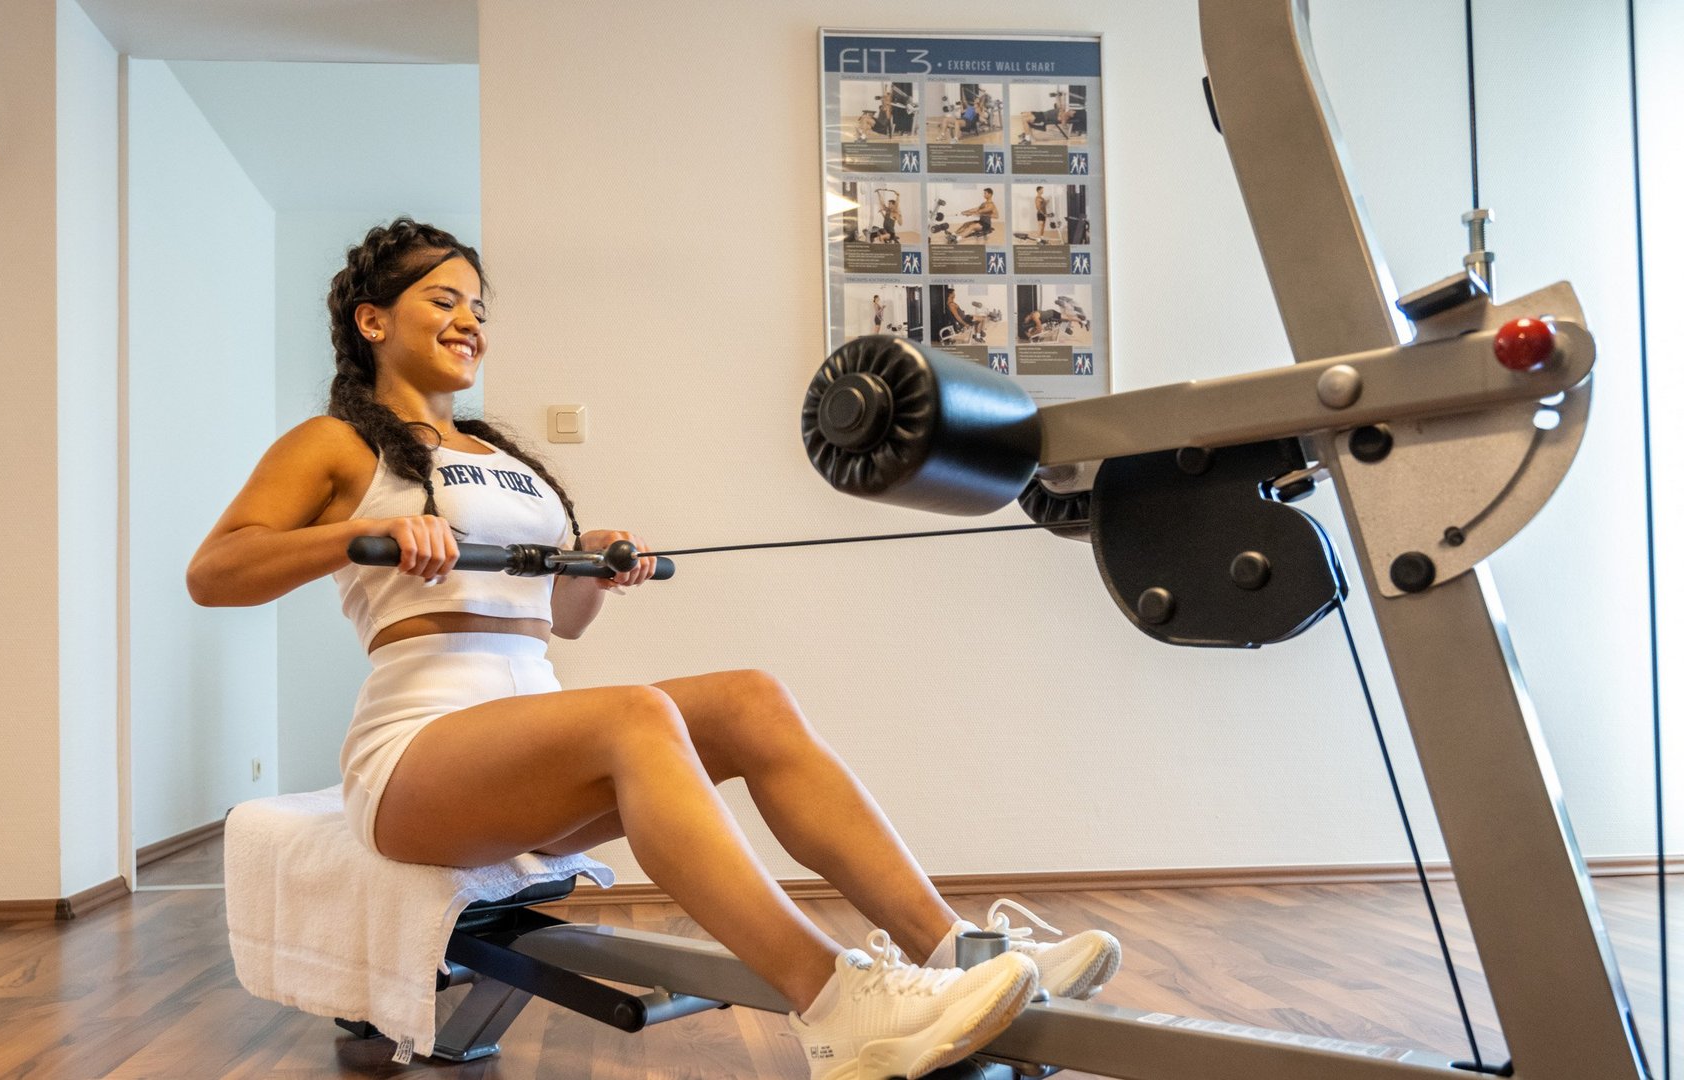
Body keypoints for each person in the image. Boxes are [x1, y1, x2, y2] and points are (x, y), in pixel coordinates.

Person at [186, 217, 1121, 1079]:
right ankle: (835, 1003)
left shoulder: (499, 454)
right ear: (373, 321)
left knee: (749, 696)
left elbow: (560, 622)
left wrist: (590, 568)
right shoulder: (337, 443)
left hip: (524, 736)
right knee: (638, 712)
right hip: (417, 754)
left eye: (479, 306)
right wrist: (364, 536)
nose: (471, 321)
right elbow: (215, 572)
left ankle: (951, 950)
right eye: (444, 300)